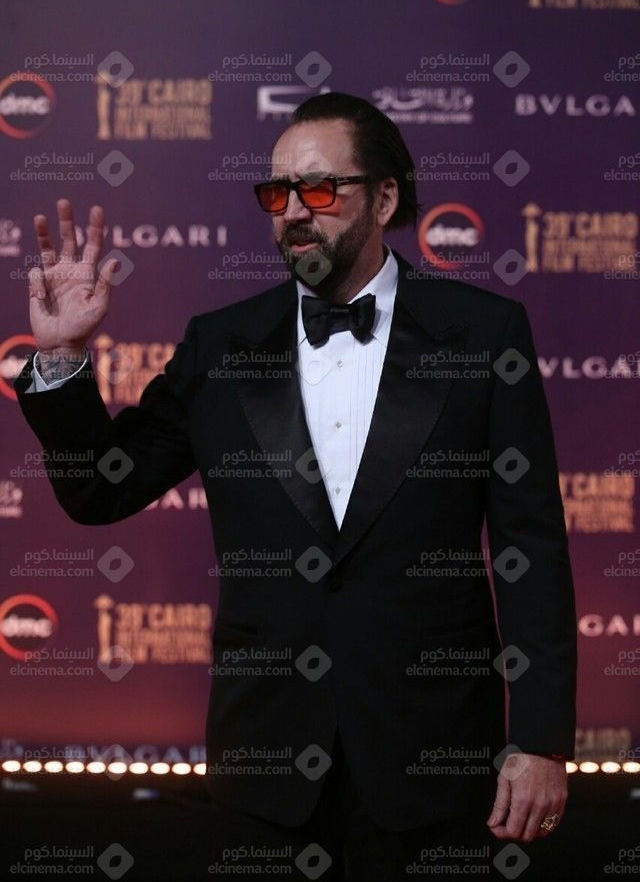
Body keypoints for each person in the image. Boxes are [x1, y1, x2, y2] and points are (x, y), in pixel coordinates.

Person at [14, 92, 577, 880]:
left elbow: (531, 550)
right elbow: (99, 491)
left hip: (435, 761)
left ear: (384, 198)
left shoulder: (484, 333)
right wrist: (63, 360)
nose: (294, 212)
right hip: (265, 766)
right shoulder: (222, 345)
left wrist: (542, 740)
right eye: (277, 194)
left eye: (318, 188)